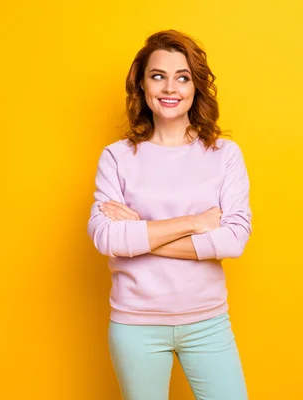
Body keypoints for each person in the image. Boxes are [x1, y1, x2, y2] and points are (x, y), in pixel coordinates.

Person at [86, 29, 251, 400]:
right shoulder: (117, 157)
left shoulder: (225, 155)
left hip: (208, 322)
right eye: (158, 76)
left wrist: (139, 235)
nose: (169, 88)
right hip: (136, 325)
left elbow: (233, 239)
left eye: (183, 77)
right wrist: (195, 223)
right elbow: (106, 238)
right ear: (142, 85)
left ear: (196, 86)